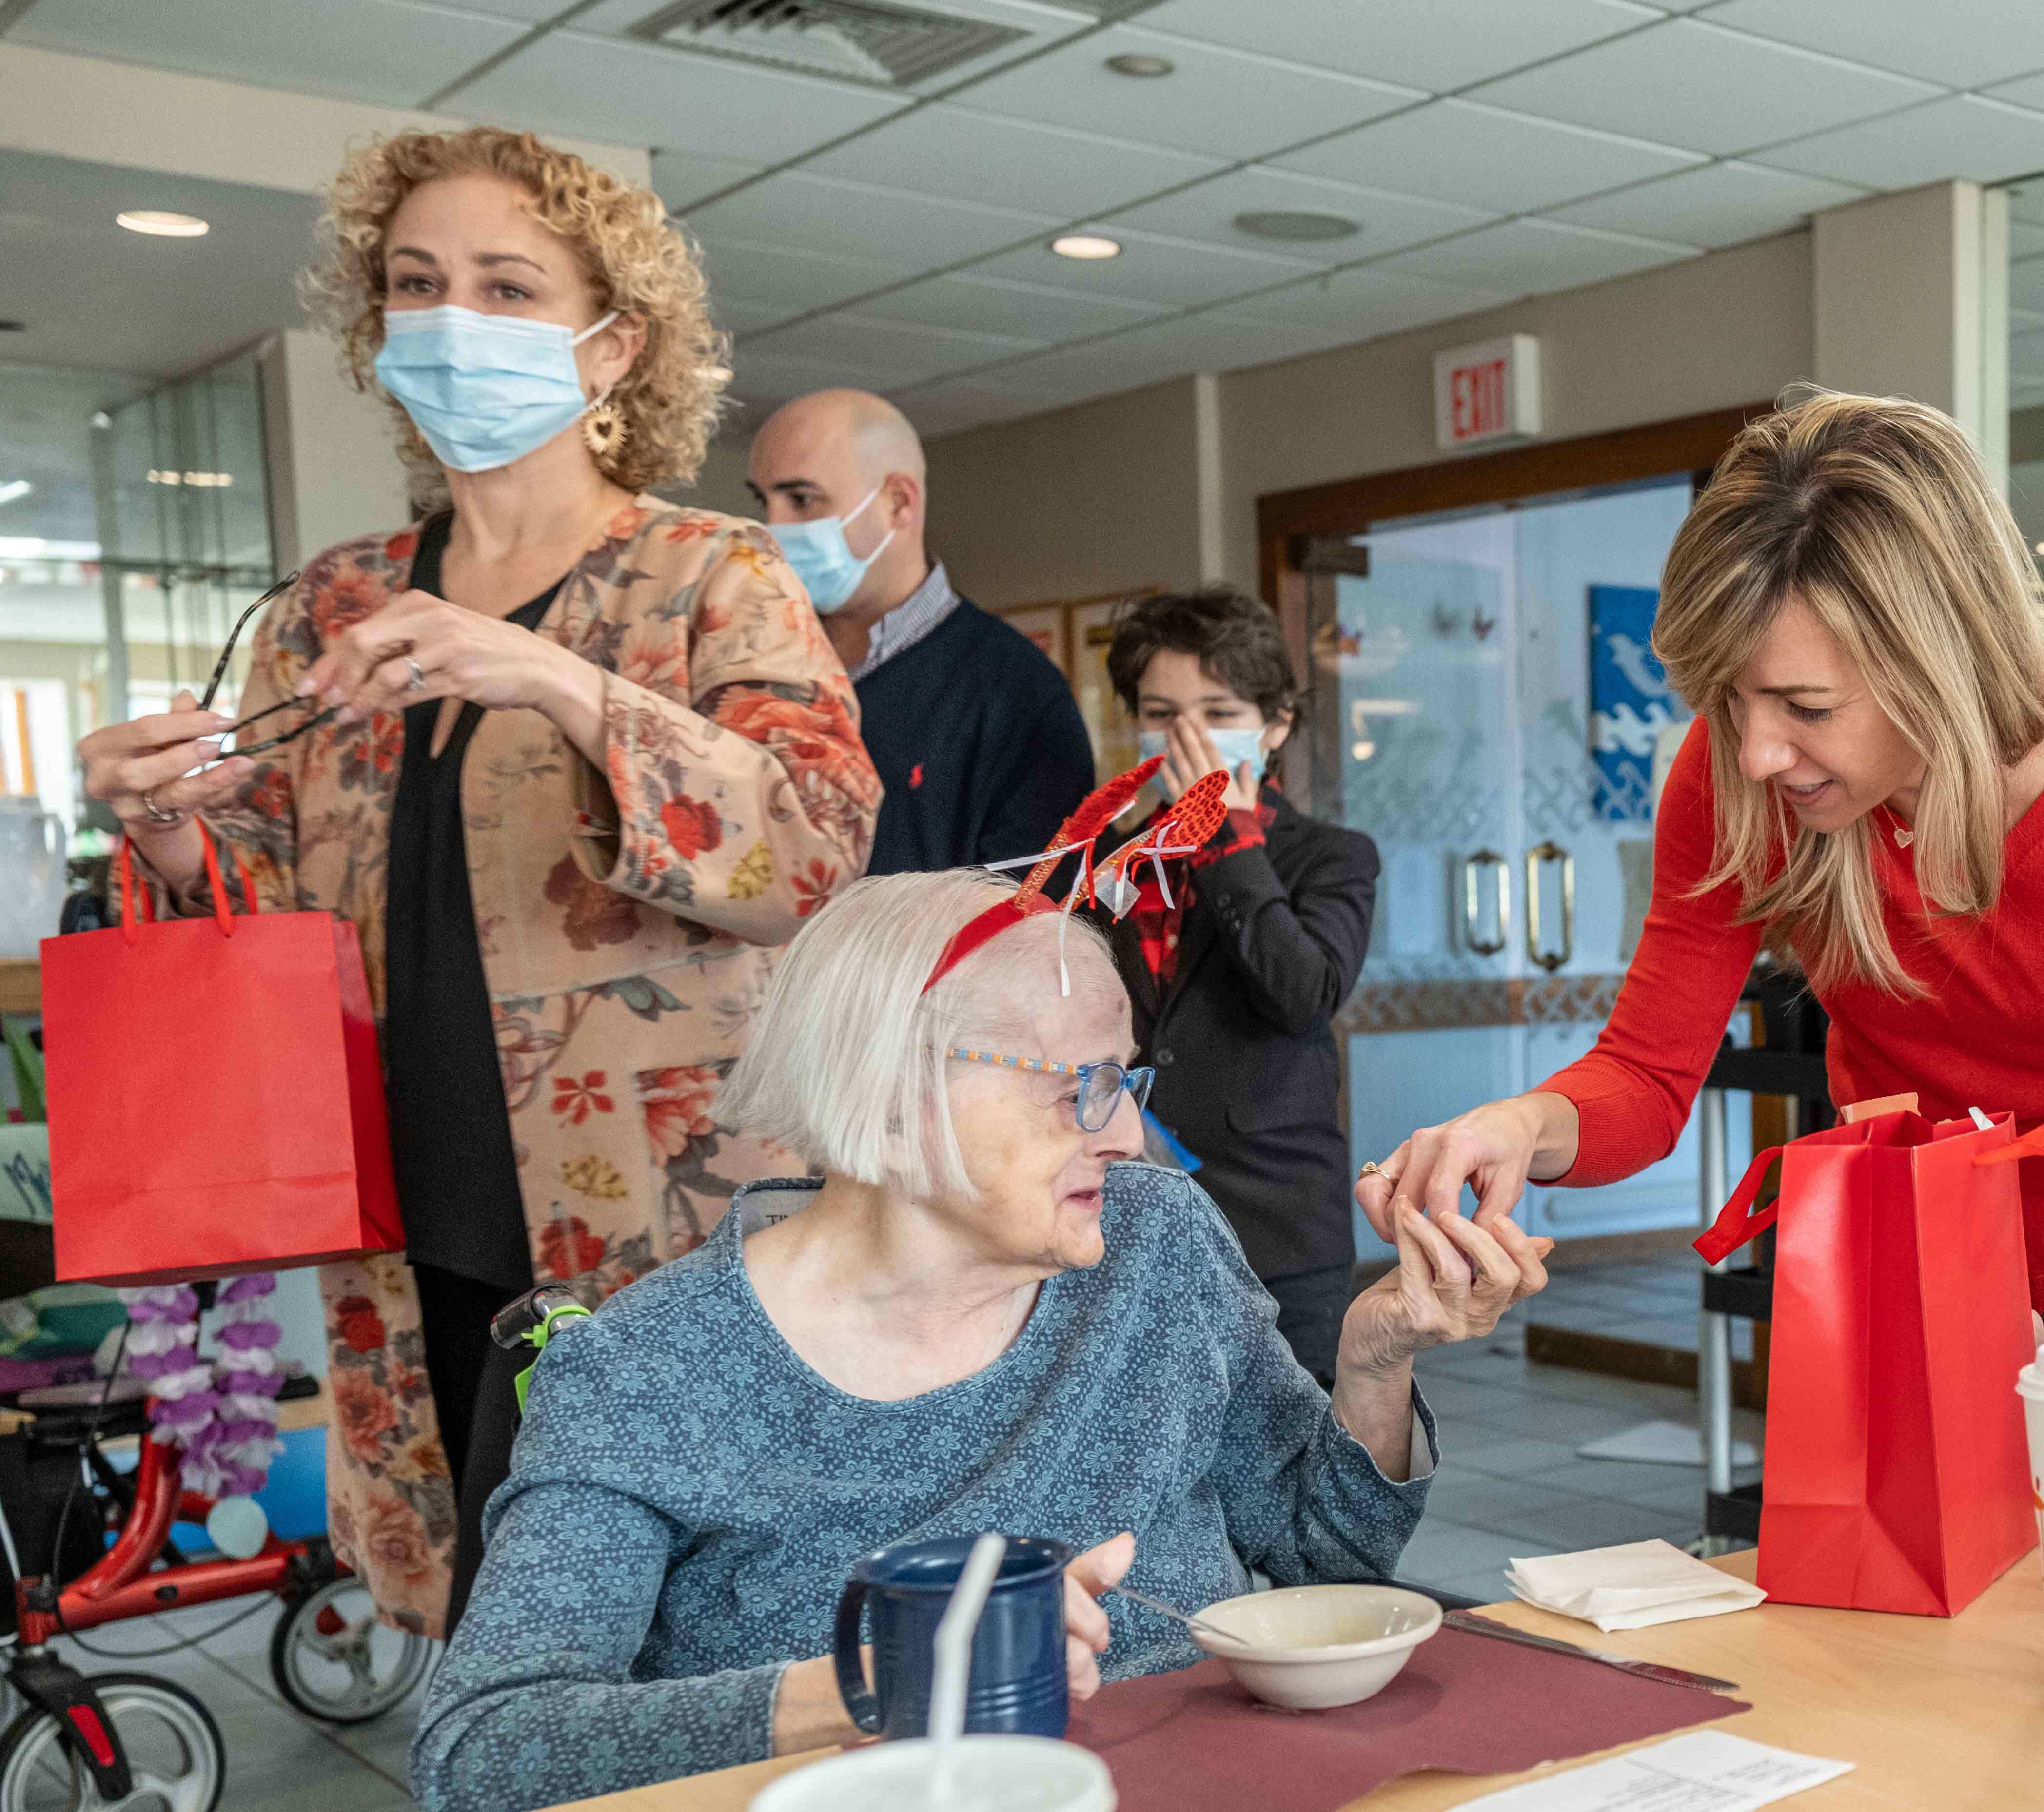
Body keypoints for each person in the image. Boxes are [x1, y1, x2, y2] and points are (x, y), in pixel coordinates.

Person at [70, 126, 876, 1634]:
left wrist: (558, 683)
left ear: (609, 345)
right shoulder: (332, 605)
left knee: (704, 1627)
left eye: (509, 287)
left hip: (664, 1227)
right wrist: (170, 828)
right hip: (400, 1216)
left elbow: (817, 845)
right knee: (497, 1632)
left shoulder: (709, 576)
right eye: (417, 284)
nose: (454, 321)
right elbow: (266, 898)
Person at [412, 868, 1545, 1812]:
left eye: (1126, 1081)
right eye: (1078, 1091)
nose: (1122, 1133)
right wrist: (872, 1685)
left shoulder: (1155, 1250)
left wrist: (1375, 1359)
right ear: (894, 1102)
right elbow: (483, 1752)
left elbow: (1324, 1569)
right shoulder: (656, 1371)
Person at [1356, 390, 2044, 1420]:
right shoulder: (1742, 773)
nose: (1760, 751)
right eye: (1731, 699)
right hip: (1925, 1238)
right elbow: (1645, 1074)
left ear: (1941, 665)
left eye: (1807, 708)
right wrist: (1516, 1125)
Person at [1101, 587, 1379, 1384]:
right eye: (1162, 713)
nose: (1187, 738)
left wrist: (1222, 833)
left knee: (1286, 1476)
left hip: (1275, 1230)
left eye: (1217, 713)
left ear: (1276, 724)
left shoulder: (1331, 855)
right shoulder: (1106, 860)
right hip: (1120, 1219)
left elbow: (1302, 994)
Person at [745, 389, 1094, 874]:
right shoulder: (748, 660)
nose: (771, 526)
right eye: (764, 500)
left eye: (802, 500)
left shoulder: (1016, 696)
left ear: (898, 503)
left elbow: (1029, 921)